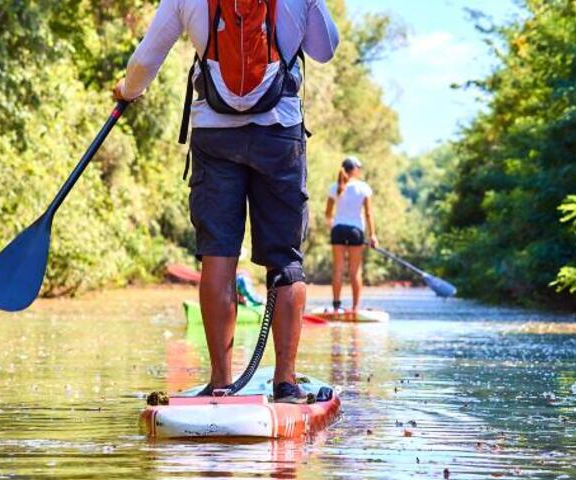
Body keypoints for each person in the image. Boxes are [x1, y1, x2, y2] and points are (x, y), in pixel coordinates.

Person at [112, 0, 339, 403]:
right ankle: (285, 383)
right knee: (285, 259)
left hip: (214, 136)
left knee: (217, 256)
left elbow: (147, 56)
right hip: (279, 134)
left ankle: (220, 382)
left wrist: (128, 90)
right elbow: (325, 49)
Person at [325, 156, 377, 313]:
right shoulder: (364, 188)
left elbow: (328, 214)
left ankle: (336, 307)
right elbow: (368, 214)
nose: (360, 170)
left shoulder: (334, 187)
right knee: (355, 270)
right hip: (355, 231)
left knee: (338, 269)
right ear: (354, 169)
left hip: (338, 229)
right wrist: (372, 235)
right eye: (358, 168)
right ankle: (355, 308)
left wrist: (334, 225)